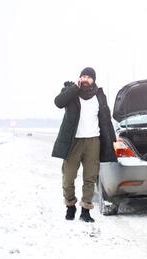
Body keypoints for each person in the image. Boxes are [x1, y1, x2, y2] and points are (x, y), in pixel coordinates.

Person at [52, 67, 117, 222]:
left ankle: (85, 211)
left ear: (94, 80)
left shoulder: (99, 96)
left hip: (93, 141)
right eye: (83, 76)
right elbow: (58, 102)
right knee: (68, 177)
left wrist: (112, 140)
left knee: (90, 178)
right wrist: (74, 87)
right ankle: (70, 205)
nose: (86, 79)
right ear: (79, 78)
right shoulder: (71, 92)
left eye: (89, 77)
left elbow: (106, 119)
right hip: (74, 141)